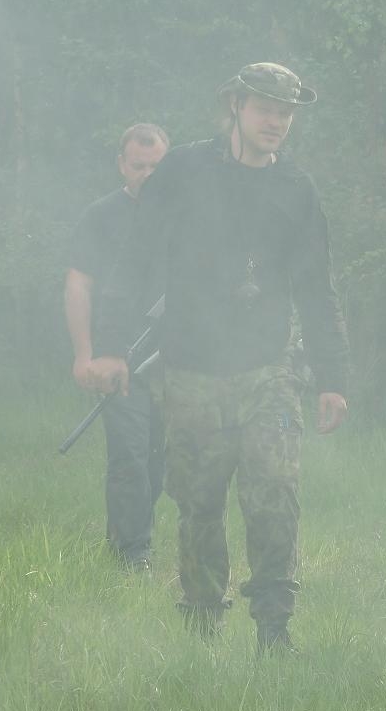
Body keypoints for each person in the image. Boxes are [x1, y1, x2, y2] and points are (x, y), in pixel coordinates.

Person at [94, 63, 350, 647]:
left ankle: (274, 628)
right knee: (199, 501)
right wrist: (110, 347)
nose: (276, 121)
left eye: (286, 113)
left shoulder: (296, 188)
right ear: (235, 105)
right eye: (265, 109)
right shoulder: (183, 170)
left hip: (269, 367)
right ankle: (203, 620)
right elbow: (134, 258)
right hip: (191, 368)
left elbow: (317, 287)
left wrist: (333, 378)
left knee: (275, 493)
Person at [64, 123, 170, 571]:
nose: (147, 174)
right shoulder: (101, 216)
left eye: (156, 166)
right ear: (121, 165)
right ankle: (132, 554)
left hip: (176, 358)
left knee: (160, 459)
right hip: (119, 356)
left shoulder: (186, 215)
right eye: (138, 165)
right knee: (129, 453)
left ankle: (130, 536)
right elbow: (79, 285)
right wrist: (84, 355)